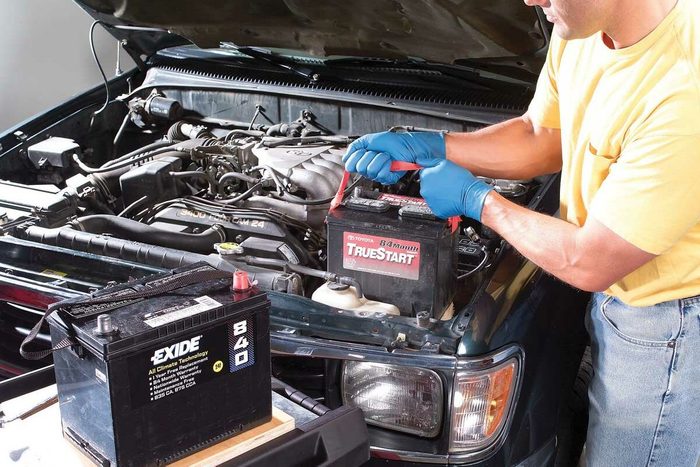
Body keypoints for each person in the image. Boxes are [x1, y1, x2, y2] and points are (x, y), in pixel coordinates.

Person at [342, 0, 700, 465]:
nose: (533, 0)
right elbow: (541, 136)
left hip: (665, 322)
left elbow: (591, 259)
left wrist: (480, 202)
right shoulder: (584, 26)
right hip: (617, 294)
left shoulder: (683, 87)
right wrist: (431, 144)